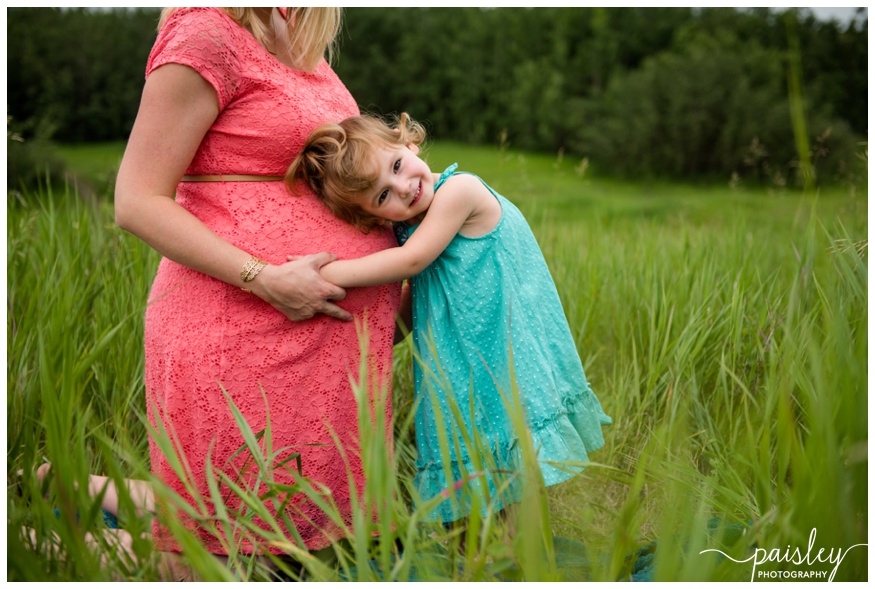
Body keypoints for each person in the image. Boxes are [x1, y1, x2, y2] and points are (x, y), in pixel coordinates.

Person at [113, 7, 400, 564]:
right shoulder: (204, 33)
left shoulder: (301, 43)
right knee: (218, 557)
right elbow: (136, 201)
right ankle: (44, 545)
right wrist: (263, 277)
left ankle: (73, 488)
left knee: (300, 553)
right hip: (240, 332)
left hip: (321, 357)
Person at [286, 113, 612, 523]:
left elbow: (412, 262)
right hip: (465, 358)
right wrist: (369, 341)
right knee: (474, 470)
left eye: (397, 166)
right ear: (372, 215)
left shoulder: (459, 191)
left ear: (408, 143)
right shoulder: (413, 222)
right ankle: (479, 557)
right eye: (382, 196)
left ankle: (522, 560)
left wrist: (318, 276)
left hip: (505, 349)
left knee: (515, 469)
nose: (403, 188)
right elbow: (417, 302)